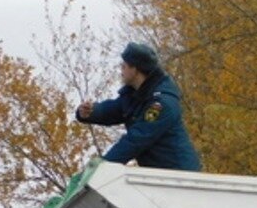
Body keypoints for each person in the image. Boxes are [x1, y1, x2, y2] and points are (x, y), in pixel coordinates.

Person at [76, 42, 201, 171]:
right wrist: (90, 112)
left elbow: (137, 138)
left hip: (180, 174)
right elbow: (112, 110)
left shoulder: (161, 104)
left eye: (124, 66)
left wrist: (103, 166)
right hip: (161, 174)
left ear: (135, 69)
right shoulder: (134, 96)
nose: (121, 71)